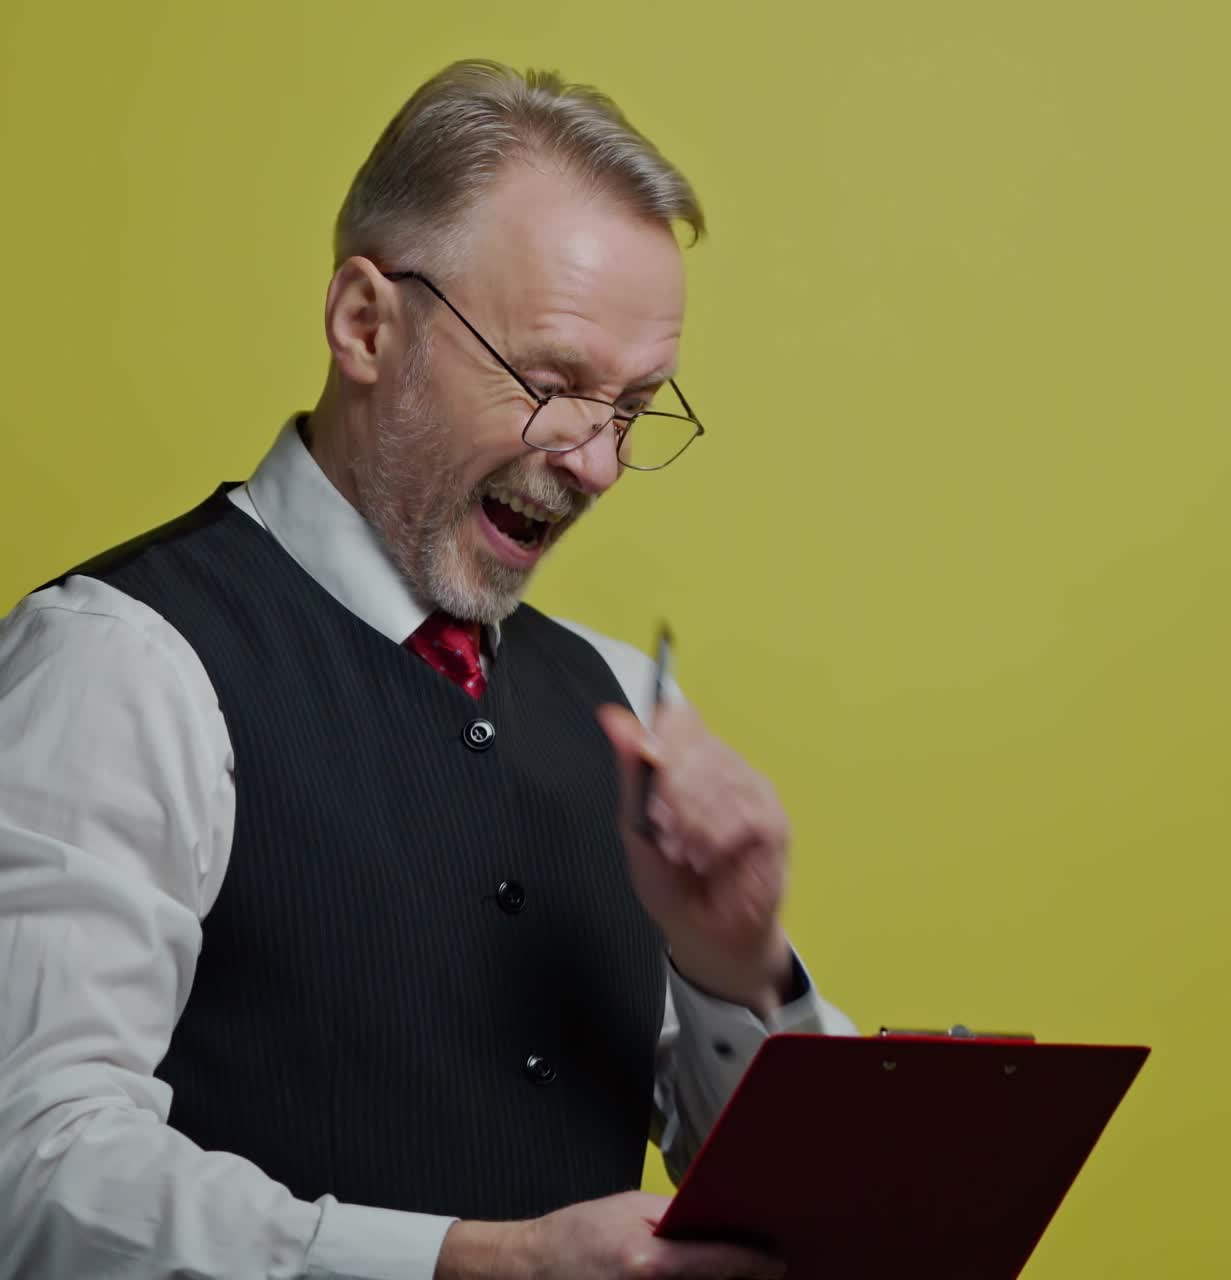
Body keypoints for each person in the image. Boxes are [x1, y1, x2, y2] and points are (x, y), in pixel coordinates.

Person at [0, 60, 854, 1279]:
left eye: (633, 407)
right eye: (551, 384)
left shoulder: (621, 697)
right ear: (365, 324)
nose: (598, 461)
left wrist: (735, 960)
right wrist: (478, 1260)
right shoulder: (120, 662)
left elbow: (802, 1214)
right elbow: (32, 1172)